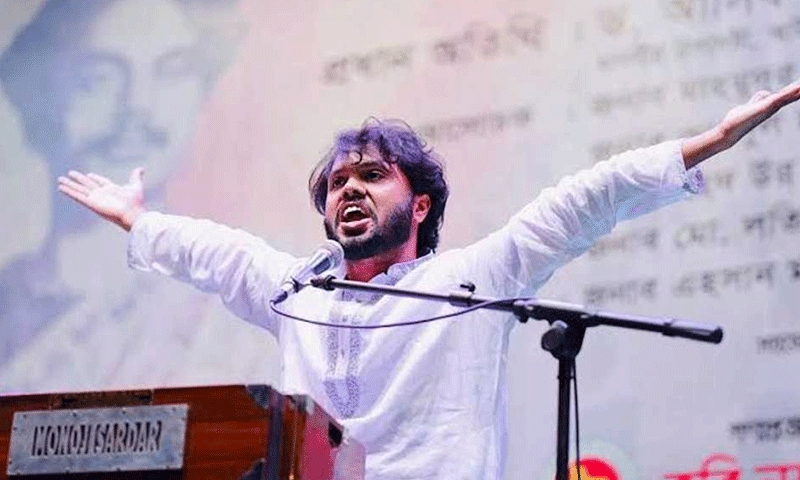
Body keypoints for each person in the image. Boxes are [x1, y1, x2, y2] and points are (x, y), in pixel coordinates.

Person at [57, 80, 800, 479]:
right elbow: (214, 252)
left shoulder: (473, 278)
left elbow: (585, 199)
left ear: (418, 204)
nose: (349, 189)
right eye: (337, 183)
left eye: (372, 175)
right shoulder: (296, 293)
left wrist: (709, 141)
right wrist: (137, 220)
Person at [0, 0, 247, 387]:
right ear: (37, 103)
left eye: (171, 72)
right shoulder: (10, 294)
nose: (138, 108)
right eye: (98, 78)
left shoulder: (234, 297)